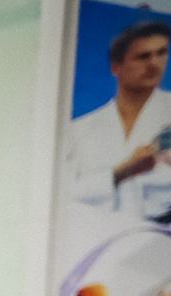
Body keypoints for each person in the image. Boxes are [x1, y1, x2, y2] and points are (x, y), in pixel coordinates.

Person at [66, 17, 171, 213]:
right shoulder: (80, 130)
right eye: (143, 56)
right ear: (116, 67)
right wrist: (122, 172)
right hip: (95, 236)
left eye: (162, 53)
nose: (154, 63)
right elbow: (62, 193)